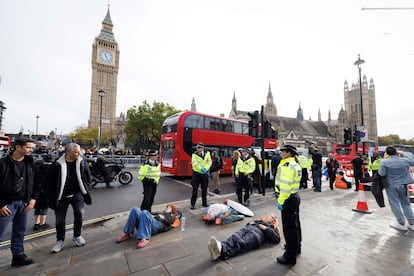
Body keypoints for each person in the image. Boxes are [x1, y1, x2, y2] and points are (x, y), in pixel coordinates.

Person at [42, 143, 92, 253]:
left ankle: (77, 236)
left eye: (79, 151)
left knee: (79, 214)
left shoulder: (82, 162)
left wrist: (88, 188)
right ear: (68, 153)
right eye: (76, 152)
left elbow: (88, 176)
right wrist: (51, 196)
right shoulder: (57, 164)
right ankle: (60, 240)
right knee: (60, 219)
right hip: (61, 196)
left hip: (78, 193)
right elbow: (46, 181)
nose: (79, 154)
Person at [0, 137, 38, 266]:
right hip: (7, 204)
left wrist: (33, 199)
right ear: (17, 147)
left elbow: (36, 182)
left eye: (32, 148)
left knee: (20, 231)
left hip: (24, 203)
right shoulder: (3, 163)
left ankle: (18, 256)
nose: (31, 150)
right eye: (28, 147)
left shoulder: (31, 162)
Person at [207, 213, 280, 261]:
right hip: (247, 229)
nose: (272, 218)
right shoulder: (261, 220)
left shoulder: (274, 227)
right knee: (235, 237)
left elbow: (277, 238)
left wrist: (266, 228)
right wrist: (253, 222)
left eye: (274, 218)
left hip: (257, 235)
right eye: (271, 216)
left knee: (241, 243)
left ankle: (221, 250)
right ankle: (221, 247)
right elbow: (248, 224)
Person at [275, 144, 302, 265]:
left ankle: (290, 256)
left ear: (289, 153)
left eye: (283, 151)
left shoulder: (286, 165)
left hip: (287, 198)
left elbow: (285, 186)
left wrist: (280, 201)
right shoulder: (295, 164)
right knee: (295, 224)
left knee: (289, 227)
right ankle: (296, 247)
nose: (281, 153)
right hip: (294, 196)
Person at [378, 146, 414, 231]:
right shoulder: (404, 160)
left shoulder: (384, 162)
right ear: (396, 152)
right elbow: (412, 161)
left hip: (391, 185)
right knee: (406, 204)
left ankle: (401, 223)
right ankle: (412, 222)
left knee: (395, 204)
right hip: (403, 185)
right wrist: (404, 154)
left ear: (386, 153)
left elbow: (381, 173)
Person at [33, 154, 53, 231]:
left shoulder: (37, 167)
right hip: (46, 191)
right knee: (44, 208)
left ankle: (36, 224)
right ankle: (42, 223)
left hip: (37, 190)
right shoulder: (52, 169)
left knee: (37, 207)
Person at [190, 143, 212, 209]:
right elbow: (194, 163)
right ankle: (193, 204)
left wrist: (205, 168)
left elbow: (209, 162)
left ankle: (204, 203)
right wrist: (201, 168)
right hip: (196, 174)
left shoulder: (207, 154)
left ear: (202, 148)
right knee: (195, 189)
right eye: (197, 147)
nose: (198, 149)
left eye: (199, 148)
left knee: (204, 189)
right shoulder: (194, 155)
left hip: (204, 174)